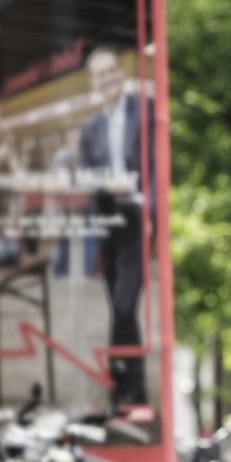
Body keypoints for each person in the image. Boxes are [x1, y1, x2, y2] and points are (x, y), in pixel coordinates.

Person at [76, 46, 149, 410]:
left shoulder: (145, 111)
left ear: (120, 73)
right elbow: (84, 174)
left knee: (124, 305)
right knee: (118, 307)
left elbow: (158, 159)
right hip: (109, 220)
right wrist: (108, 183)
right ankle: (128, 385)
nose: (106, 80)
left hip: (138, 217)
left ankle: (127, 383)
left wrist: (138, 189)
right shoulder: (91, 128)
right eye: (99, 75)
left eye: (111, 72)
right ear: (94, 82)